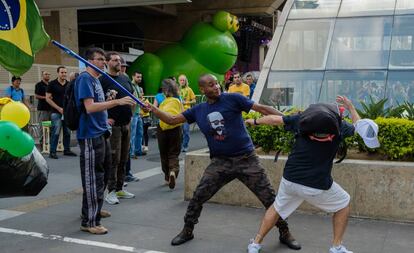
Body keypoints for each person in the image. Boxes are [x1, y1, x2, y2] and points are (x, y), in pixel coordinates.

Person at [149, 74, 300, 249]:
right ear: (202, 90)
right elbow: (172, 120)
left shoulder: (233, 99)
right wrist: (154, 109)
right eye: (211, 85)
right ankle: (187, 230)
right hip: (220, 163)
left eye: (217, 83)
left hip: (246, 159)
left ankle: (285, 232)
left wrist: (290, 120)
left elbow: (262, 109)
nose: (217, 87)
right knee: (198, 196)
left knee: (269, 199)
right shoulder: (198, 110)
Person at [245, 96, 372, 253]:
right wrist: (351, 107)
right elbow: (361, 127)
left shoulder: (301, 120)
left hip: (291, 179)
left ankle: (255, 244)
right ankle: (336, 246)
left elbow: (273, 119)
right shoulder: (340, 127)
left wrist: (254, 122)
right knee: (343, 203)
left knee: (276, 208)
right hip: (317, 184)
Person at [75, 47, 135, 235]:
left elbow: (101, 106)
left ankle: (95, 209)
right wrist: (117, 102)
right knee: (93, 178)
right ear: (90, 61)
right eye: (100, 59)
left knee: (101, 175)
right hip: (90, 136)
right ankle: (90, 221)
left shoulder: (96, 80)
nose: (103, 62)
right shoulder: (85, 79)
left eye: (103, 59)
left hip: (102, 133)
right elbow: (90, 107)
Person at [99, 52, 136, 205]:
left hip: (126, 123)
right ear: (107, 62)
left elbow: (132, 97)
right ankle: (110, 191)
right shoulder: (102, 80)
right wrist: (105, 118)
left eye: (119, 60)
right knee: (113, 158)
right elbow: (96, 102)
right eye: (115, 60)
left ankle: (119, 188)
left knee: (124, 158)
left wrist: (132, 114)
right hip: (112, 127)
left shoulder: (124, 78)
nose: (119, 62)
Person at [156, 79, 183, 189]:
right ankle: (173, 171)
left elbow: (156, 112)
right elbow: (182, 113)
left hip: (162, 129)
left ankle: (167, 177)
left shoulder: (161, 100)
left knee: (164, 153)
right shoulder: (178, 100)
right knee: (173, 153)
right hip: (175, 129)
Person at [46, 66, 76, 159]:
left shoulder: (69, 84)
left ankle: (66, 150)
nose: (64, 74)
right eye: (62, 72)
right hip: (56, 112)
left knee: (67, 132)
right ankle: (52, 152)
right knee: (56, 132)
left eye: (65, 72)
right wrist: (58, 108)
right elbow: (48, 98)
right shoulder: (52, 84)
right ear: (58, 73)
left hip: (66, 113)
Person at [130, 71, 146, 158]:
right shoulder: (131, 86)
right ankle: (131, 153)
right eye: (138, 77)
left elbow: (139, 100)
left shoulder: (139, 87)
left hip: (138, 112)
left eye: (140, 77)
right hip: (133, 113)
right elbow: (133, 100)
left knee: (140, 133)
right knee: (132, 133)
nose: (139, 78)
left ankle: (138, 150)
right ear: (133, 76)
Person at [178, 74, 196, 152]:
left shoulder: (189, 89)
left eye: (183, 80)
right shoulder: (177, 90)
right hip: (178, 112)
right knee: (179, 131)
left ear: (186, 81)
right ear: (179, 81)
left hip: (186, 112)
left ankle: (185, 145)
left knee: (186, 130)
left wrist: (186, 102)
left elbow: (194, 100)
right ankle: (180, 145)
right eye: (181, 80)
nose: (182, 81)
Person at [35, 71, 52, 145]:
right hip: (42, 109)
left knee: (51, 126)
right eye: (46, 74)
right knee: (43, 126)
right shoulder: (39, 85)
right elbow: (37, 96)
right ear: (42, 76)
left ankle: (50, 142)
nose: (47, 75)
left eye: (48, 74)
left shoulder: (51, 84)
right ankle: (42, 142)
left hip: (51, 109)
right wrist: (46, 97)